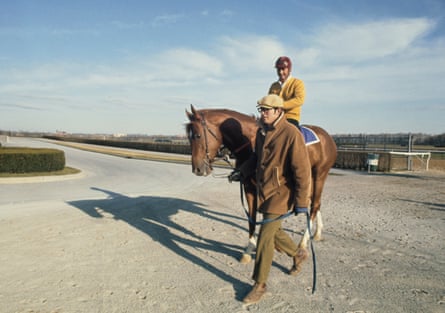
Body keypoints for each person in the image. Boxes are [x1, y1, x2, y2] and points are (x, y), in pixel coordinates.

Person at [239, 94, 312, 305]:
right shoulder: (263, 131)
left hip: (282, 194)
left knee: (265, 237)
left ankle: (259, 284)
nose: (262, 113)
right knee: (275, 231)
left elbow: (302, 171)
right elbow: (256, 158)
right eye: (261, 109)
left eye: (266, 110)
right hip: (266, 190)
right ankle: (298, 253)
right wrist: (242, 171)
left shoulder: (291, 134)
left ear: (279, 111)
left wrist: (301, 202)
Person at [268, 56, 305, 129]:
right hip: (274, 118)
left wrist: (280, 106)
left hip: (290, 118)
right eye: (278, 69)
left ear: (289, 69)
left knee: (289, 133)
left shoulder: (297, 83)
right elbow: (269, 102)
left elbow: (299, 100)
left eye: (283, 69)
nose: (280, 72)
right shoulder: (273, 86)